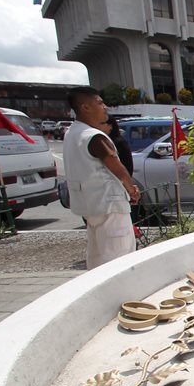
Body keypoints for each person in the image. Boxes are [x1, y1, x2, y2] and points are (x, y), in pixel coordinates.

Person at [63, 87, 140, 269]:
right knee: (120, 259)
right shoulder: (93, 136)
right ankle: (121, 295)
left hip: (90, 205)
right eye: (99, 103)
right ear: (85, 107)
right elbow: (116, 165)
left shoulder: (72, 133)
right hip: (109, 204)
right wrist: (132, 189)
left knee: (98, 259)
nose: (104, 107)